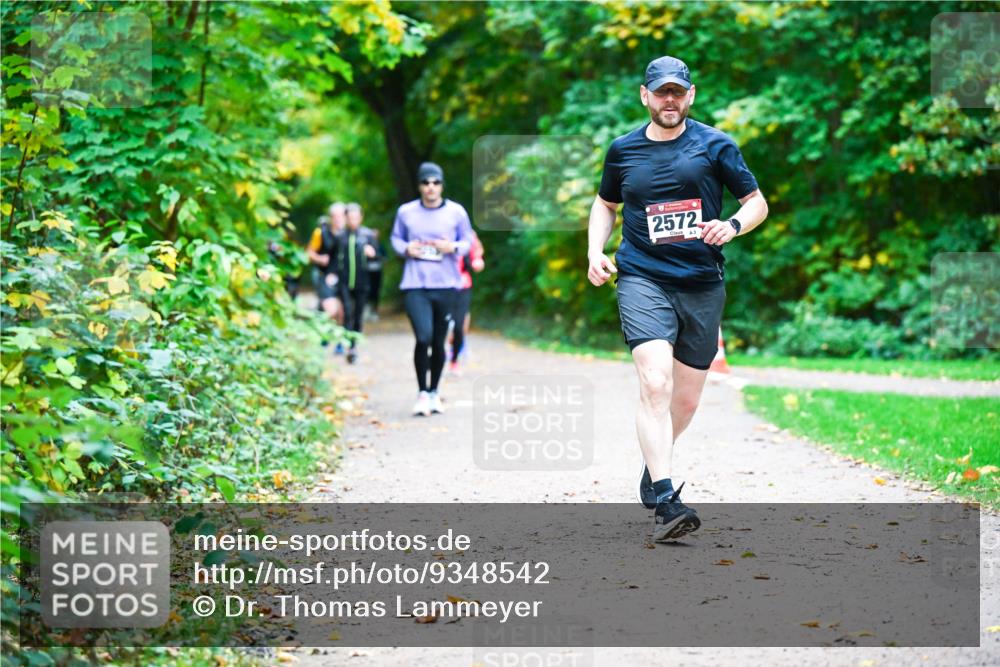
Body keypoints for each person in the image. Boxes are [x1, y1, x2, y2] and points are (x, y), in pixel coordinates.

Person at [587, 56, 768, 542]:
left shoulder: (715, 145)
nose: (670, 100)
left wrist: (731, 225)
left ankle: (653, 466)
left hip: (701, 282)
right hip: (642, 276)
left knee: (684, 401)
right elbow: (605, 205)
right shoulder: (623, 150)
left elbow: (757, 204)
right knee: (654, 380)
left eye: (678, 92)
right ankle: (666, 499)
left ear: (690, 96)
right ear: (645, 95)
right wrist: (594, 250)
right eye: (660, 92)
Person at [391, 162, 473, 417]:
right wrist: (407, 249)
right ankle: (421, 392)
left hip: (447, 285)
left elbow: (468, 241)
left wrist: (453, 247)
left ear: (441, 185)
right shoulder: (406, 212)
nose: (431, 187)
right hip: (416, 284)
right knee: (423, 337)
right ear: (419, 186)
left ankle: (434, 392)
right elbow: (395, 239)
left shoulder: (456, 212)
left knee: (438, 342)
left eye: (435, 182)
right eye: (426, 182)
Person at [337, 203, 377, 364]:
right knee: (347, 312)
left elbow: (379, 258)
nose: (353, 220)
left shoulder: (368, 235)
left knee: (358, 314)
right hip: (344, 282)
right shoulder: (340, 236)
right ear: (346, 218)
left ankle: (354, 346)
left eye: (356, 217)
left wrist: (372, 254)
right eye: (350, 217)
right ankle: (347, 343)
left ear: (361, 218)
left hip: (363, 282)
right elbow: (333, 258)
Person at [307, 204, 347, 350]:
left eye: (341, 215)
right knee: (331, 309)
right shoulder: (321, 232)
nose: (338, 219)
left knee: (342, 311)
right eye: (335, 216)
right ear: (331, 218)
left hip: (344, 277)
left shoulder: (349, 234)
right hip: (325, 275)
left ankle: (339, 342)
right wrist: (320, 258)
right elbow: (309, 252)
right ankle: (325, 334)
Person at [448, 230, 485, 375]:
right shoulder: (438, 232)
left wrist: (478, 262)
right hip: (440, 285)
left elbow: (476, 254)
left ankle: (454, 360)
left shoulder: (467, 234)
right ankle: (440, 352)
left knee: (459, 325)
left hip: (463, 286)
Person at [365, 228, 386, 322]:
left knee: (376, 291)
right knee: (367, 290)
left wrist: (380, 258)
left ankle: (374, 312)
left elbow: (385, 257)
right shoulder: (366, 246)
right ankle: (367, 311)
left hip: (377, 271)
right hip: (367, 272)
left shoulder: (380, 246)